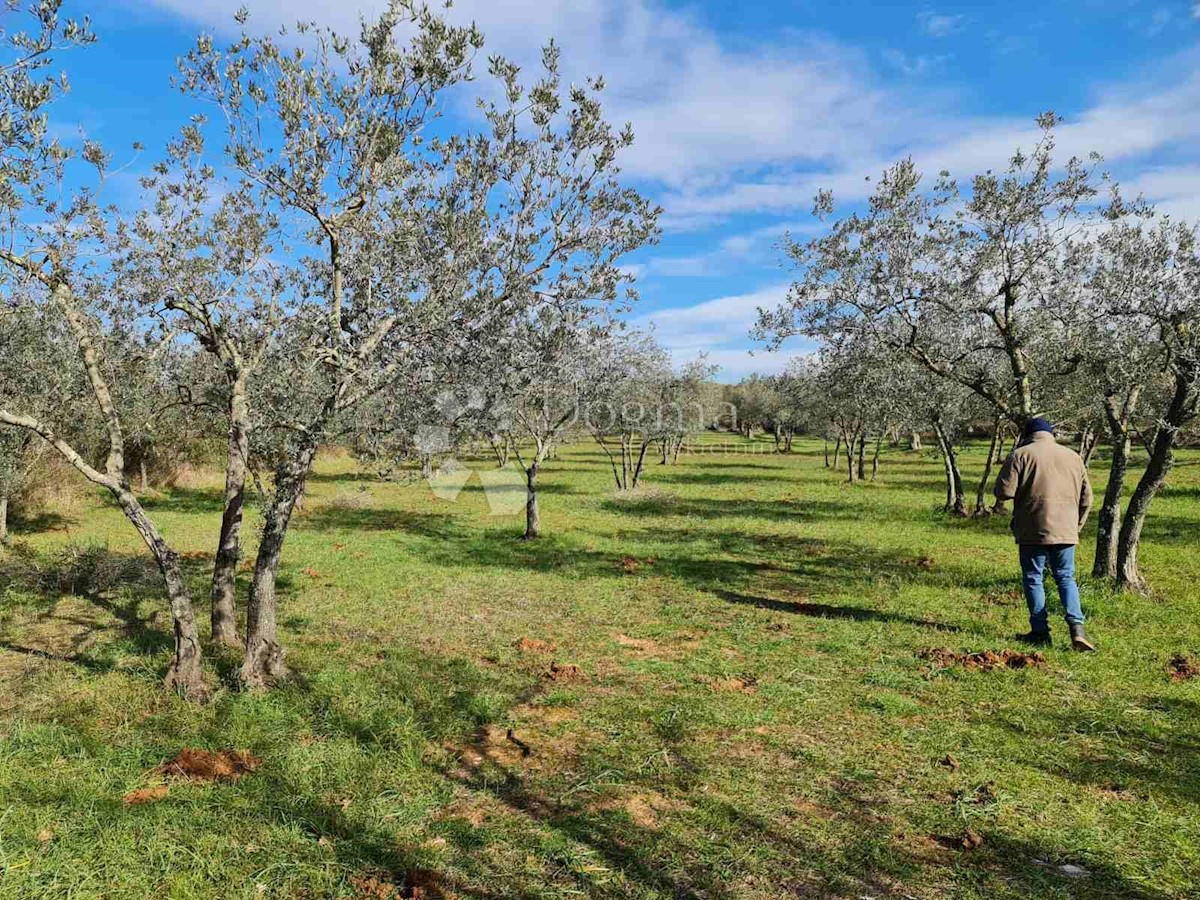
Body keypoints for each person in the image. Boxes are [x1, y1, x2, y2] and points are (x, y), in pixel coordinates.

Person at [994, 417, 1095, 651]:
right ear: (1051, 434)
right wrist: (1076, 526)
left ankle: (1040, 632)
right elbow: (1087, 499)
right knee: (1066, 578)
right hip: (1066, 531)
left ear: (1027, 435)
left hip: (1033, 528)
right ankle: (1077, 629)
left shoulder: (1021, 454)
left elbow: (1004, 492)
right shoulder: (1073, 457)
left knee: (1033, 578)